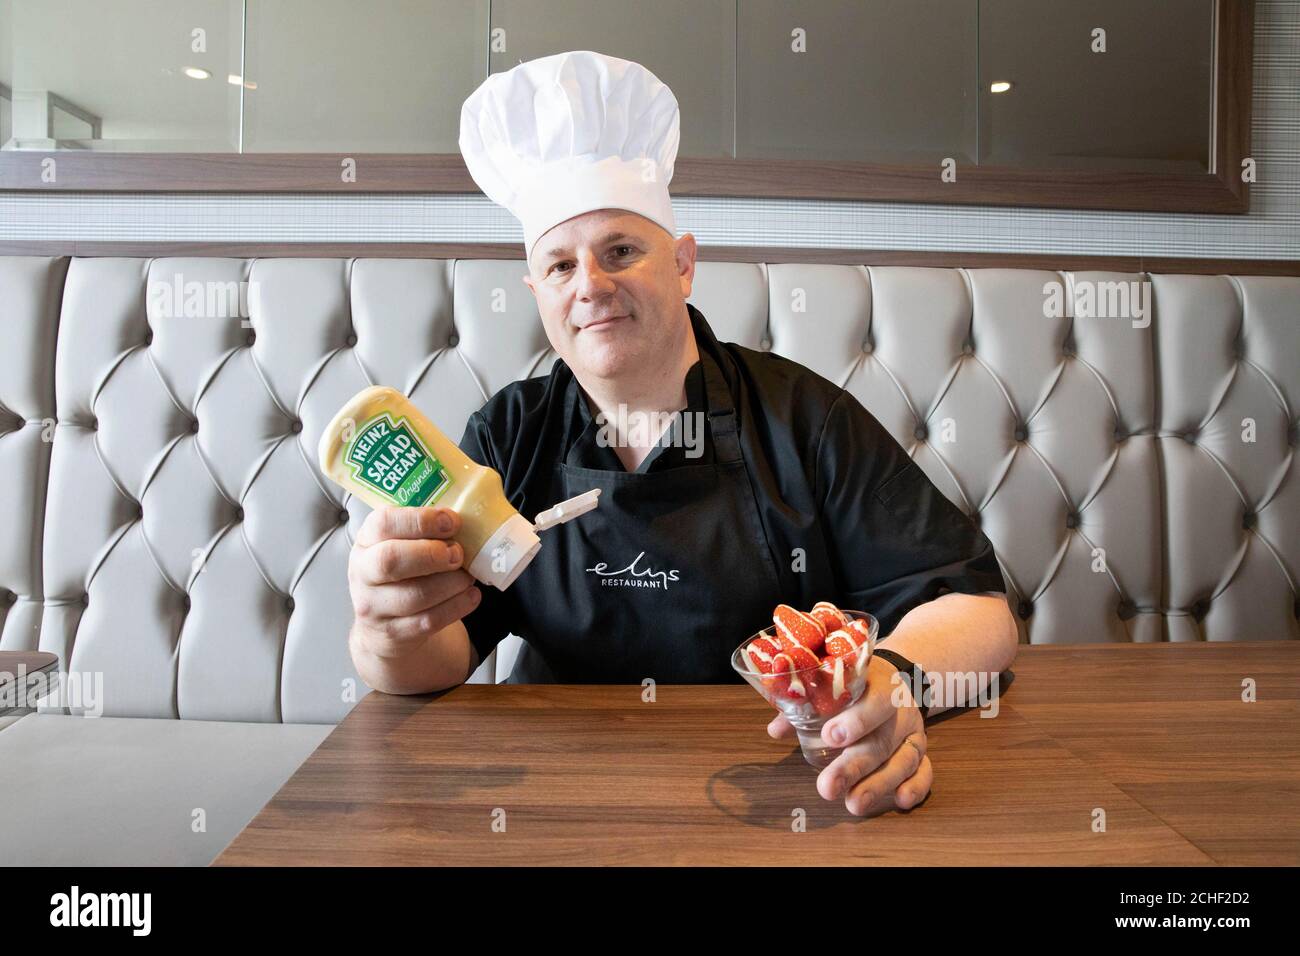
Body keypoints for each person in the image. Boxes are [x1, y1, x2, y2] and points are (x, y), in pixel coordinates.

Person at [346, 51, 1017, 817]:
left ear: (684, 264)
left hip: (781, 794)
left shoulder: (803, 419)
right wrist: (385, 628)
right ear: (537, 294)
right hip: (550, 801)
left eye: (621, 251)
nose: (590, 285)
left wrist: (893, 684)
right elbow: (439, 660)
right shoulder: (509, 433)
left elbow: (978, 612)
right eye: (560, 267)